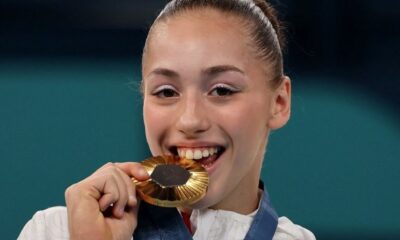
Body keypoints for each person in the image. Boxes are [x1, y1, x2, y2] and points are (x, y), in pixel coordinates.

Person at [19, 0, 315, 239]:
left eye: (222, 90)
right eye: (166, 92)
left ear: (279, 103)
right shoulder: (57, 231)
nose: (190, 120)